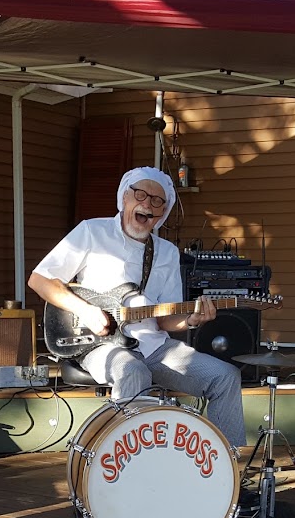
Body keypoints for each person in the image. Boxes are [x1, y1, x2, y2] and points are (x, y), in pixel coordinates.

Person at [28, 166, 247, 452]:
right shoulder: (92, 231)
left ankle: (224, 470)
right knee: (132, 370)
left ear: (163, 212)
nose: (147, 203)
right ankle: (119, 463)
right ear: (124, 197)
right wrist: (85, 310)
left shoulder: (166, 252)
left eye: (157, 200)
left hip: (155, 347)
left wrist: (191, 320)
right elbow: (40, 279)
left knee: (225, 376)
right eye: (140, 194)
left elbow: (167, 321)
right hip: (99, 345)